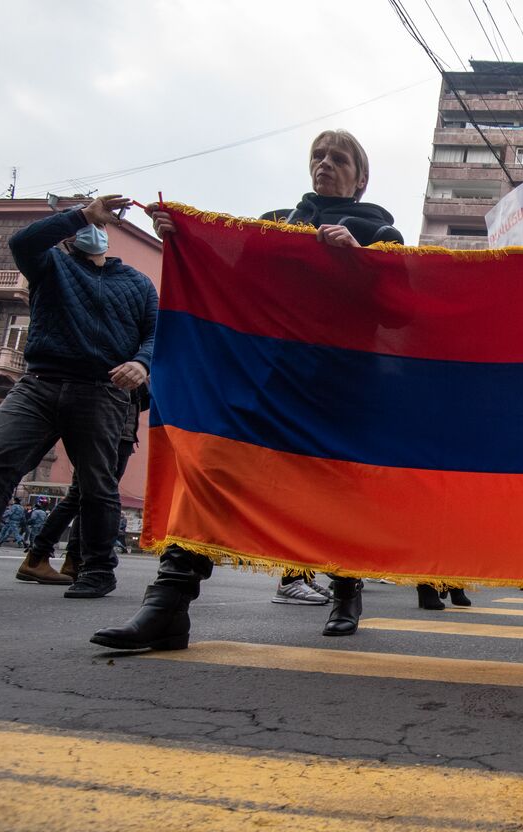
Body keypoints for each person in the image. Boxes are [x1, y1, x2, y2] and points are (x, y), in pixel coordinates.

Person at [91, 130, 403, 652]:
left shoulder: (381, 231)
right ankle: (168, 605)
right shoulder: (274, 223)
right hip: (270, 379)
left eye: (339, 158)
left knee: (339, 491)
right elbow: (231, 282)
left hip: (343, 386)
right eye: (318, 156)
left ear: (361, 177)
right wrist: (185, 242)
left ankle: (347, 594)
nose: (325, 164)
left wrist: (362, 261)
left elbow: (398, 309)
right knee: (214, 472)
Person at [0, 194, 154, 599]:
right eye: (82, 225)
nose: (91, 230)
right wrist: (80, 214)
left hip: (101, 391)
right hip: (39, 385)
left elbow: (155, 335)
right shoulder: (49, 264)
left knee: (97, 486)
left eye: (97, 224)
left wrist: (142, 364)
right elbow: (22, 243)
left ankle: (96, 569)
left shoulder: (138, 283)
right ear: (69, 235)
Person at [18, 386, 146, 585]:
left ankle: (70, 560)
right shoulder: (126, 361)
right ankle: (39, 555)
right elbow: (139, 396)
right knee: (83, 496)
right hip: (111, 429)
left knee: (85, 497)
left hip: (114, 429)